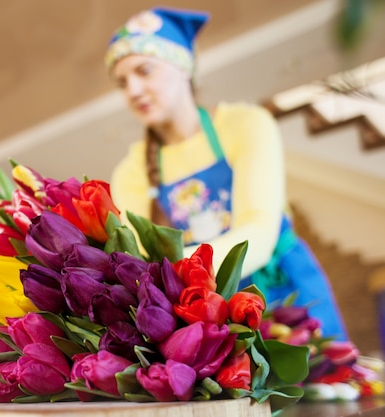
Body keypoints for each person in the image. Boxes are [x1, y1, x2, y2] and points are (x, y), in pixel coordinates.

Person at [105, 6, 347, 340]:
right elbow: (140, 261)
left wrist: (174, 276)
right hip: (213, 310)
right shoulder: (130, 172)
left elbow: (260, 232)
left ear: (183, 66)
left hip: (287, 291)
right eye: (122, 82)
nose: (132, 90)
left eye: (144, 71)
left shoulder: (245, 124)